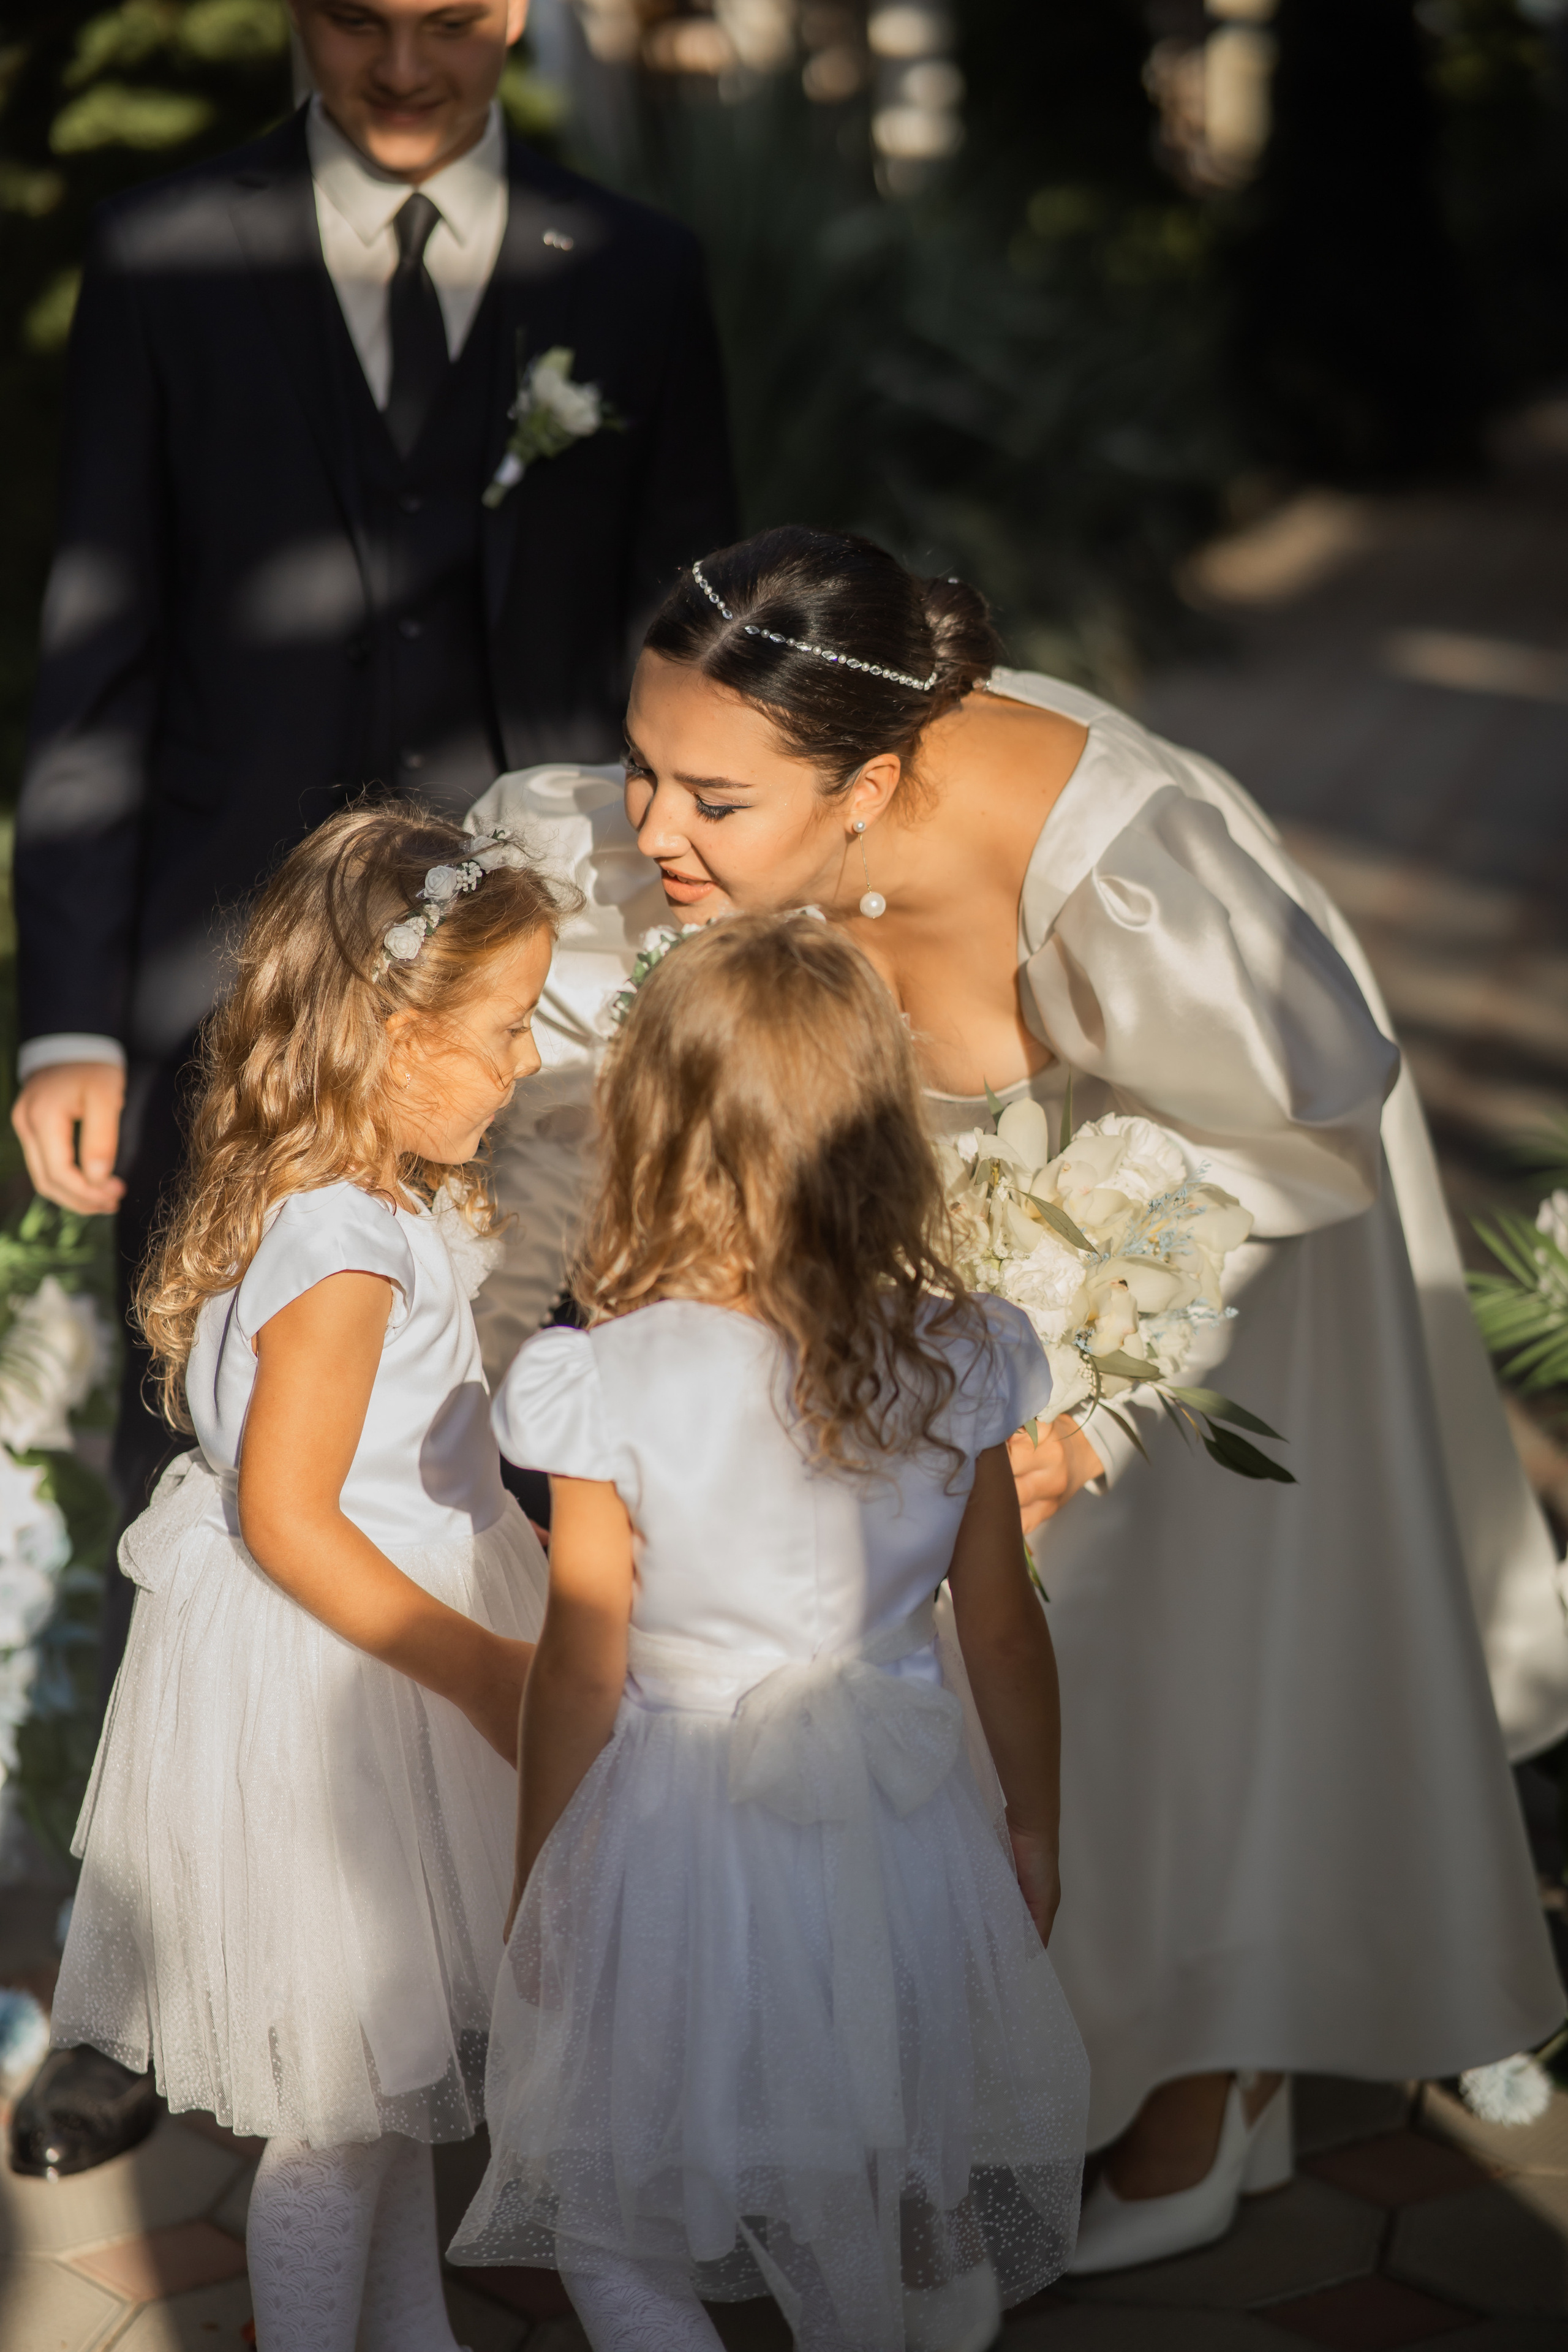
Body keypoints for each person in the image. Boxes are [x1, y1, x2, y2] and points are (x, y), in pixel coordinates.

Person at [464, 525, 1566, 2273]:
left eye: (713, 801)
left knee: (1177, 1645)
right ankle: (954, 2094)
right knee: (937, 1644)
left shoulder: (1134, 878)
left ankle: (1218, 2063)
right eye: (639, 765)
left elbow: (1265, 1145)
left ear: (876, 781)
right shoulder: (707, 808)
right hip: (914, 1256)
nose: (652, 831)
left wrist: (1096, 1403)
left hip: (1221, 1200)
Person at [9, 0, 733, 2171]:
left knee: (536, 1430)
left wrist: (685, 966)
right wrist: (63, 1015)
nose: (403, 58)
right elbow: (99, 635)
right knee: (224, 1453)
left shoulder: (641, 268)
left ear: (511, 12)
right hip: (239, 986)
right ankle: (153, 1983)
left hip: (550, 976)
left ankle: (535, 1948)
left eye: (446, 14)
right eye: (355, 14)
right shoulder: (164, 253)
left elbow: (687, 647)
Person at [447, 913, 1088, 2352]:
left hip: (675, 1838)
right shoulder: (965, 1353)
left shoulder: (606, 1380)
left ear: (653, 1130)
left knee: (613, 2209)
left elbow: (586, 1658)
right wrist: (1033, 1828)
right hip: (907, 1819)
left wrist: (539, 1882)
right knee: (863, 2156)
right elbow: (999, 1629)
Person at [47, 807, 559, 2348]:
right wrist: (484, 1673)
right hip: (361, 1675)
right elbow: (289, 1513)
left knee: (387, 2086)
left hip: (366, 1650)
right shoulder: (344, 1242)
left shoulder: (357, 1193)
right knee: (337, 2116)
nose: (530, 1060)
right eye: (508, 1027)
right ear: (392, 1038)